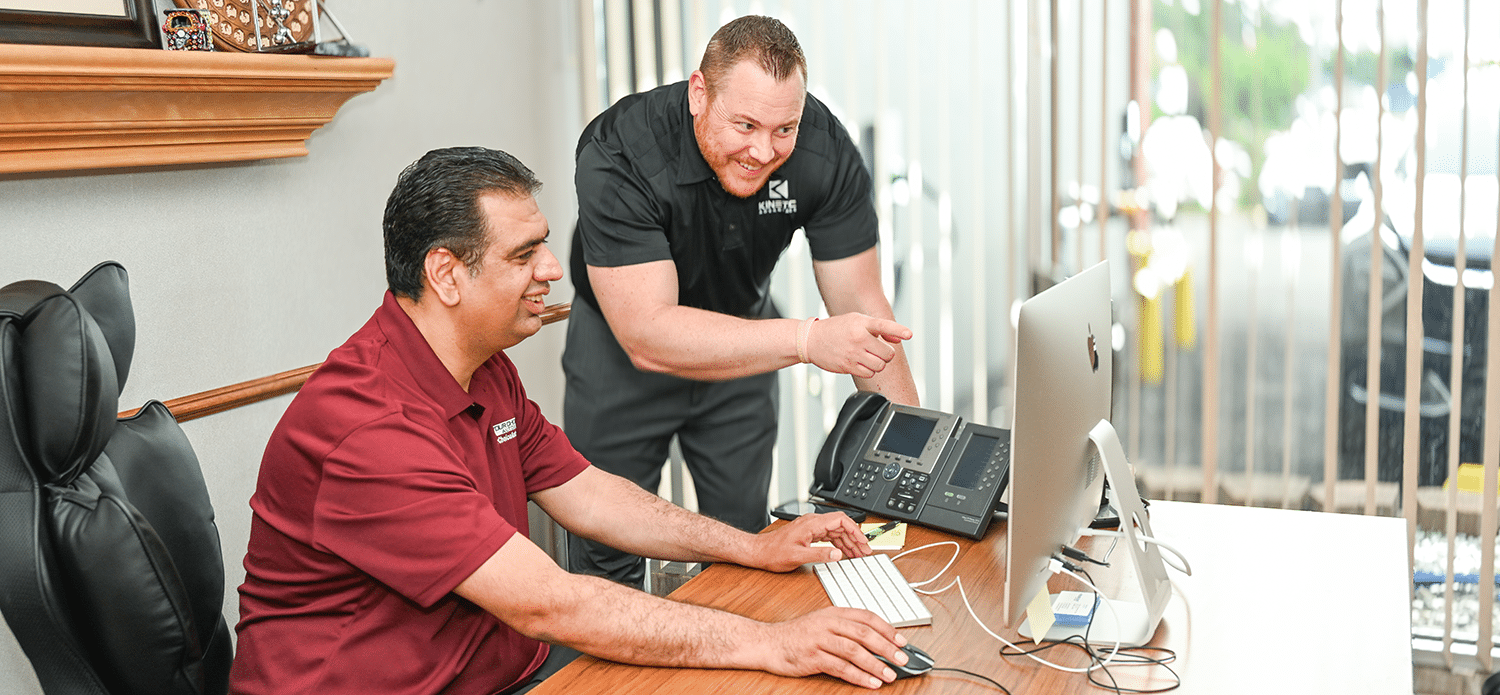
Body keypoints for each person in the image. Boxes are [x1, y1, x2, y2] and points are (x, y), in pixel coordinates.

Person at [228, 147, 913, 695]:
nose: (553, 268)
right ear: (445, 274)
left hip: (503, 669)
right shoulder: (366, 426)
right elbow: (550, 603)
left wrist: (751, 545)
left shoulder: (483, 366)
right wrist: (772, 642)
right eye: (524, 254)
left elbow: (590, 493)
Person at [564, 15, 920, 589]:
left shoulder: (822, 149)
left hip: (745, 342)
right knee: (606, 558)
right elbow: (647, 334)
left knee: (749, 549)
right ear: (699, 93)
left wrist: (919, 462)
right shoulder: (622, 150)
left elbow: (863, 303)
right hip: (619, 355)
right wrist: (807, 340)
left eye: (784, 129)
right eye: (745, 124)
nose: (763, 149)